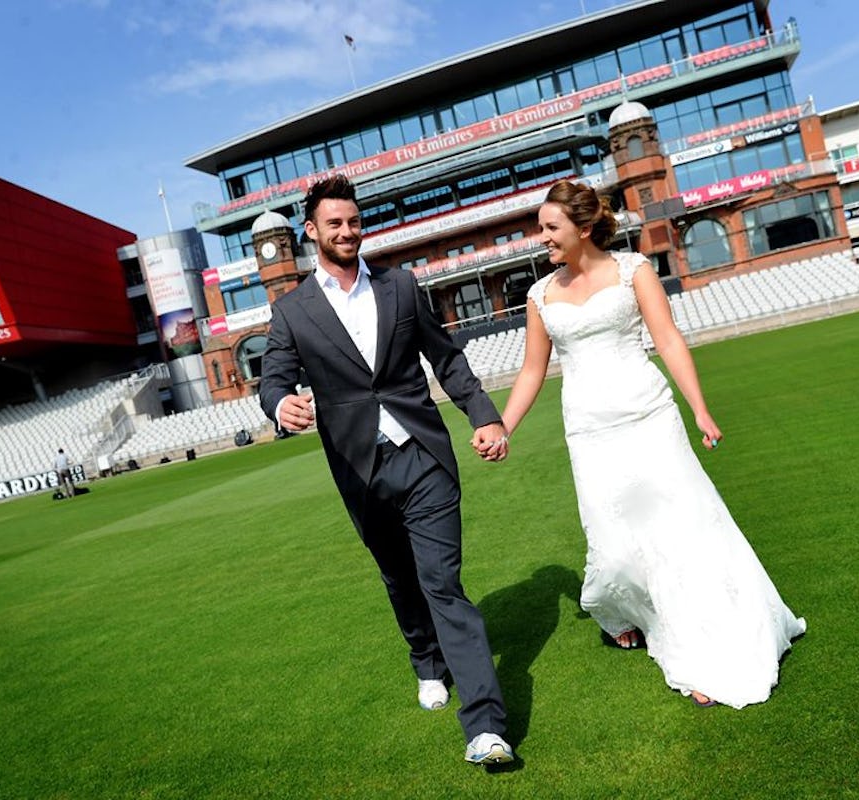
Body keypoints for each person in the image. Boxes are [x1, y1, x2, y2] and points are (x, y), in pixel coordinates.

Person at [482, 179, 805, 709]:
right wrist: (504, 428)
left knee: (680, 532)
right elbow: (532, 370)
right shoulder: (539, 296)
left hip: (650, 416)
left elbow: (669, 339)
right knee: (614, 544)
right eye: (539, 228)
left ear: (584, 229)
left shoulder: (634, 271)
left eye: (550, 228)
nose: (540, 238)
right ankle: (630, 613)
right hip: (589, 430)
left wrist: (699, 407)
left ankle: (706, 649)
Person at [259, 175, 514, 764]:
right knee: (399, 578)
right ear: (312, 232)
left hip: (424, 456)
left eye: (353, 221)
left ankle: (484, 727)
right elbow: (274, 377)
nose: (347, 231)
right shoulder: (292, 312)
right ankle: (426, 661)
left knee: (442, 585)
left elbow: (447, 359)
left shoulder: (400, 286)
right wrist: (280, 405)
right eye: (334, 224)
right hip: (359, 470)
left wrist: (485, 415)